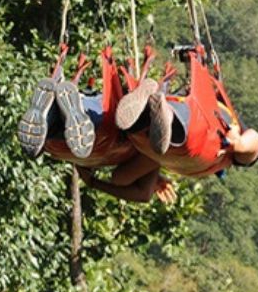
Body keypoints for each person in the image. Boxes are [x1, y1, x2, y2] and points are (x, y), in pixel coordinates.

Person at [17, 46, 176, 204]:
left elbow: (140, 190)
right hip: (74, 146)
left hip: (102, 133)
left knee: (87, 113)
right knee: (75, 124)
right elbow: (141, 193)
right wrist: (94, 183)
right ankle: (52, 116)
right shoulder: (150, 155)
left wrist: (153, 175)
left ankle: (57, 110)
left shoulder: (151, 154)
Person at [116, 44, 258, 178]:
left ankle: (152, 105)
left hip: (177, 131)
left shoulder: (218, 157)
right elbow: (119, 178)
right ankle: (159, 111)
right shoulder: (221, 155)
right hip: (195, 136)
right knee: (185, 124)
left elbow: (120, 177)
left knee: (166, 120)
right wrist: (237, 144)